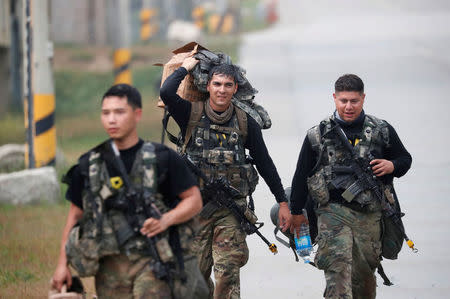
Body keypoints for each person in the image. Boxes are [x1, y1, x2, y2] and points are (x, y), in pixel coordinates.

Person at [51, 84, 208, 298]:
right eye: (106, 113)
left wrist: (165, 220)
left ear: (137, 114)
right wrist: (62, 265)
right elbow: (74, 217)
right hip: (109, 268)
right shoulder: (88, 165)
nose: (111, 119)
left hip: (153, 262)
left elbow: (194, 200)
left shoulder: (163, 158)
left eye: (119, 112)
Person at [160, 56, 291, 298]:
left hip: (230, 212)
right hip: (194, 211)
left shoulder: (245, 122)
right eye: (217, 84)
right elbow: (167, 92)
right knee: (194, 281)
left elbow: (265, 163)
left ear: (235, 89)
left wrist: (283, 202)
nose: (222, 90)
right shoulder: (190, 113)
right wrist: (186, 68)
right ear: (208, 86)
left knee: (227, 273)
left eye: (228, 85)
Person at [290, 74, 412, 298]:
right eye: (343, 100)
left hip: (369, 216)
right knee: (337, 274)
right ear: (334, 98)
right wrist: (296, 212)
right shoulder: (317, 135)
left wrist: (391, 165)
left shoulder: (381, 130)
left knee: (364, 280)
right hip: (332, 214)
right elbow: (301, 177)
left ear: (363, 98)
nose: (348, 106)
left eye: (354, 101)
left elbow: (405, 159)